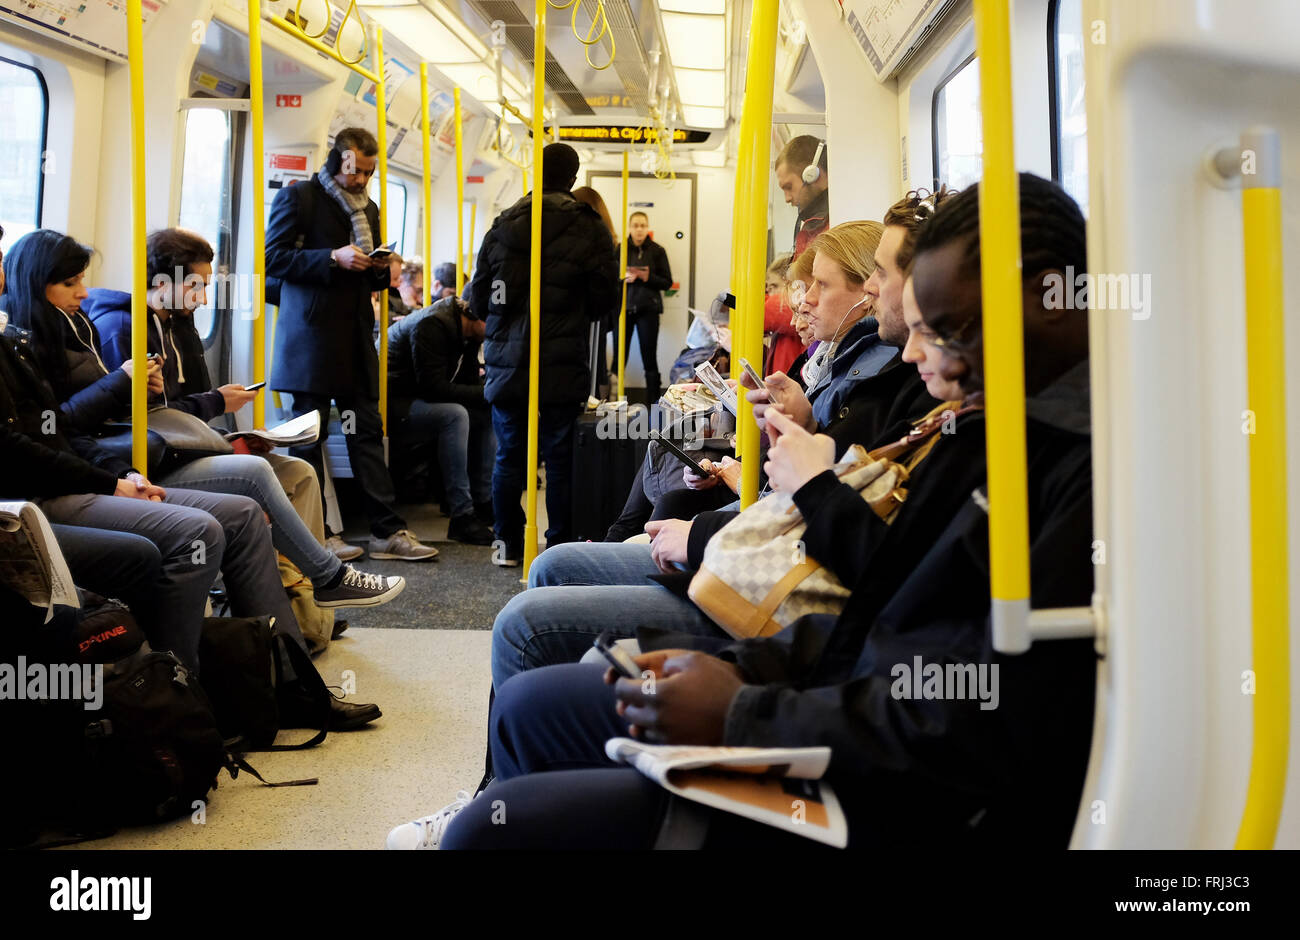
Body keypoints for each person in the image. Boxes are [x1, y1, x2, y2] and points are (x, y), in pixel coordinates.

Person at [394, 173, 1096, 850]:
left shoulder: (1070, 472)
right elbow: (875, 621)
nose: (920, 351)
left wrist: (742, 710)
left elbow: (963, 719)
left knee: (504, 816)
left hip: (881, 792)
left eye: (946, 330)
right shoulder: (978, 425)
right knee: (529, 704)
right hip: (827, 689)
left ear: (1045, 301)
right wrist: (744, 667)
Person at [24, 229, 402, 611]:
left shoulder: (180, 328)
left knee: (299, 474)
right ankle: (327, 579)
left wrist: (229, 432)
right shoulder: (120, 329)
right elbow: (135, 420)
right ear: (162, 283)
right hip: (143, 456)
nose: (203, 298)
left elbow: (176, 413)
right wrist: (212, 402)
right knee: (252, 475)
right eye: (195, 286)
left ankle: (304, 607)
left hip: (169, 447)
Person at [265, 125, 438, 562]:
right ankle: (313, 534)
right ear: (336, 161)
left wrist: (380, 266)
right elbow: (272, 258)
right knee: (308, 438)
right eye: (355, 171)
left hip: (356, 338)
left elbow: (373, 279)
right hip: (310, 340)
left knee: (365, 434)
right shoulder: (299, 199)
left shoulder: (372, 209)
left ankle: (386, 531)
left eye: (368, 172)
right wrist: (331, 257)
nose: (361, 180)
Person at [468, 142, 620, 566]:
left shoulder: (502, 224)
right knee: (559, 458)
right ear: (573, 178)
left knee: (509, 456)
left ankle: (507, 546)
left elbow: (479, 299)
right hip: (561, 359)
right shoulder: (588, 226)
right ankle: (558, 548)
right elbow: (603, 298)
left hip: (506, 362)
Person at [387, 294, 496, 545]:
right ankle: (462, 515)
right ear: (475, 315)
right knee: (455, 416)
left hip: (414, 397)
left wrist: (489, 392)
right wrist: (488, 392)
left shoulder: (465, 332)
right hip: (394, 401)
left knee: (485, 412)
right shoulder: (432, 324)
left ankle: (482, 500)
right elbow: (432, 388)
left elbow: (465, 384)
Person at [571, 186, 619, 393]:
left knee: (588, 367)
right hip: (599, 316)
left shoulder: (583, 241)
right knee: (596, 366)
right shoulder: (609, 240)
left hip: (585, 315)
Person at [622, 211, 673, 402]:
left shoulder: (657, 251)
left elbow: (667, 282)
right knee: (619, 359)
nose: (639, 229)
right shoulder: (620, 250)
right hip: (624, 310)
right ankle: (610, 401)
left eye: (643, 225)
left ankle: (654, 403)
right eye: (635, 225)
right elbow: (609, 278)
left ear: (648, 227)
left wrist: (645, 276)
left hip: (648, 311)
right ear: (629, 227)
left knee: (649, 357)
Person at [774, 135, 830, 257]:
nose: (787, 199)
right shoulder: (812, 226)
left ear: (811, 174)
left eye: (789, 187)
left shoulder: (834, 226)